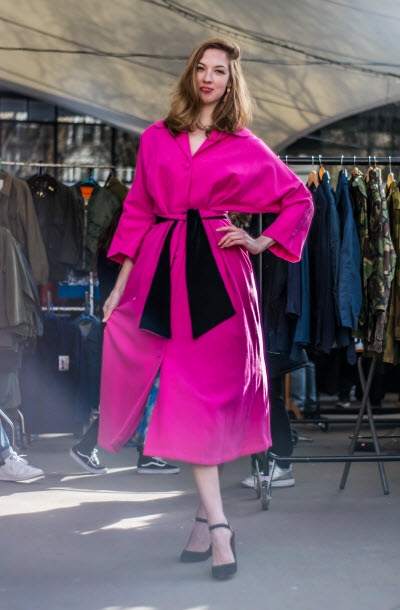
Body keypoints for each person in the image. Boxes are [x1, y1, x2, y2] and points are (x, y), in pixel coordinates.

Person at [99, 37, 313, 580]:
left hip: (219, 280)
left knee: (207, 400)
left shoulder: (243, 144)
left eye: (219, 70)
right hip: (162, 276)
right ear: (191, 74)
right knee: (181, 397)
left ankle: (208, 522)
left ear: (230, 82)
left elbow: (299, 198)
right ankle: (218, 526)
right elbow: (137, 211)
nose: (209, 77)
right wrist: (119, 287)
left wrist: (260, 242)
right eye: (201, 67)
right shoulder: (156, 137)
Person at [70, 207, 179, 475]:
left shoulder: (107, 248)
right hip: (131, 326)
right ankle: (143, 454)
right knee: (139, 392)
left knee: (126, 395)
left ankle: (137, 453)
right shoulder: (134, 250)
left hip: (114, 325)